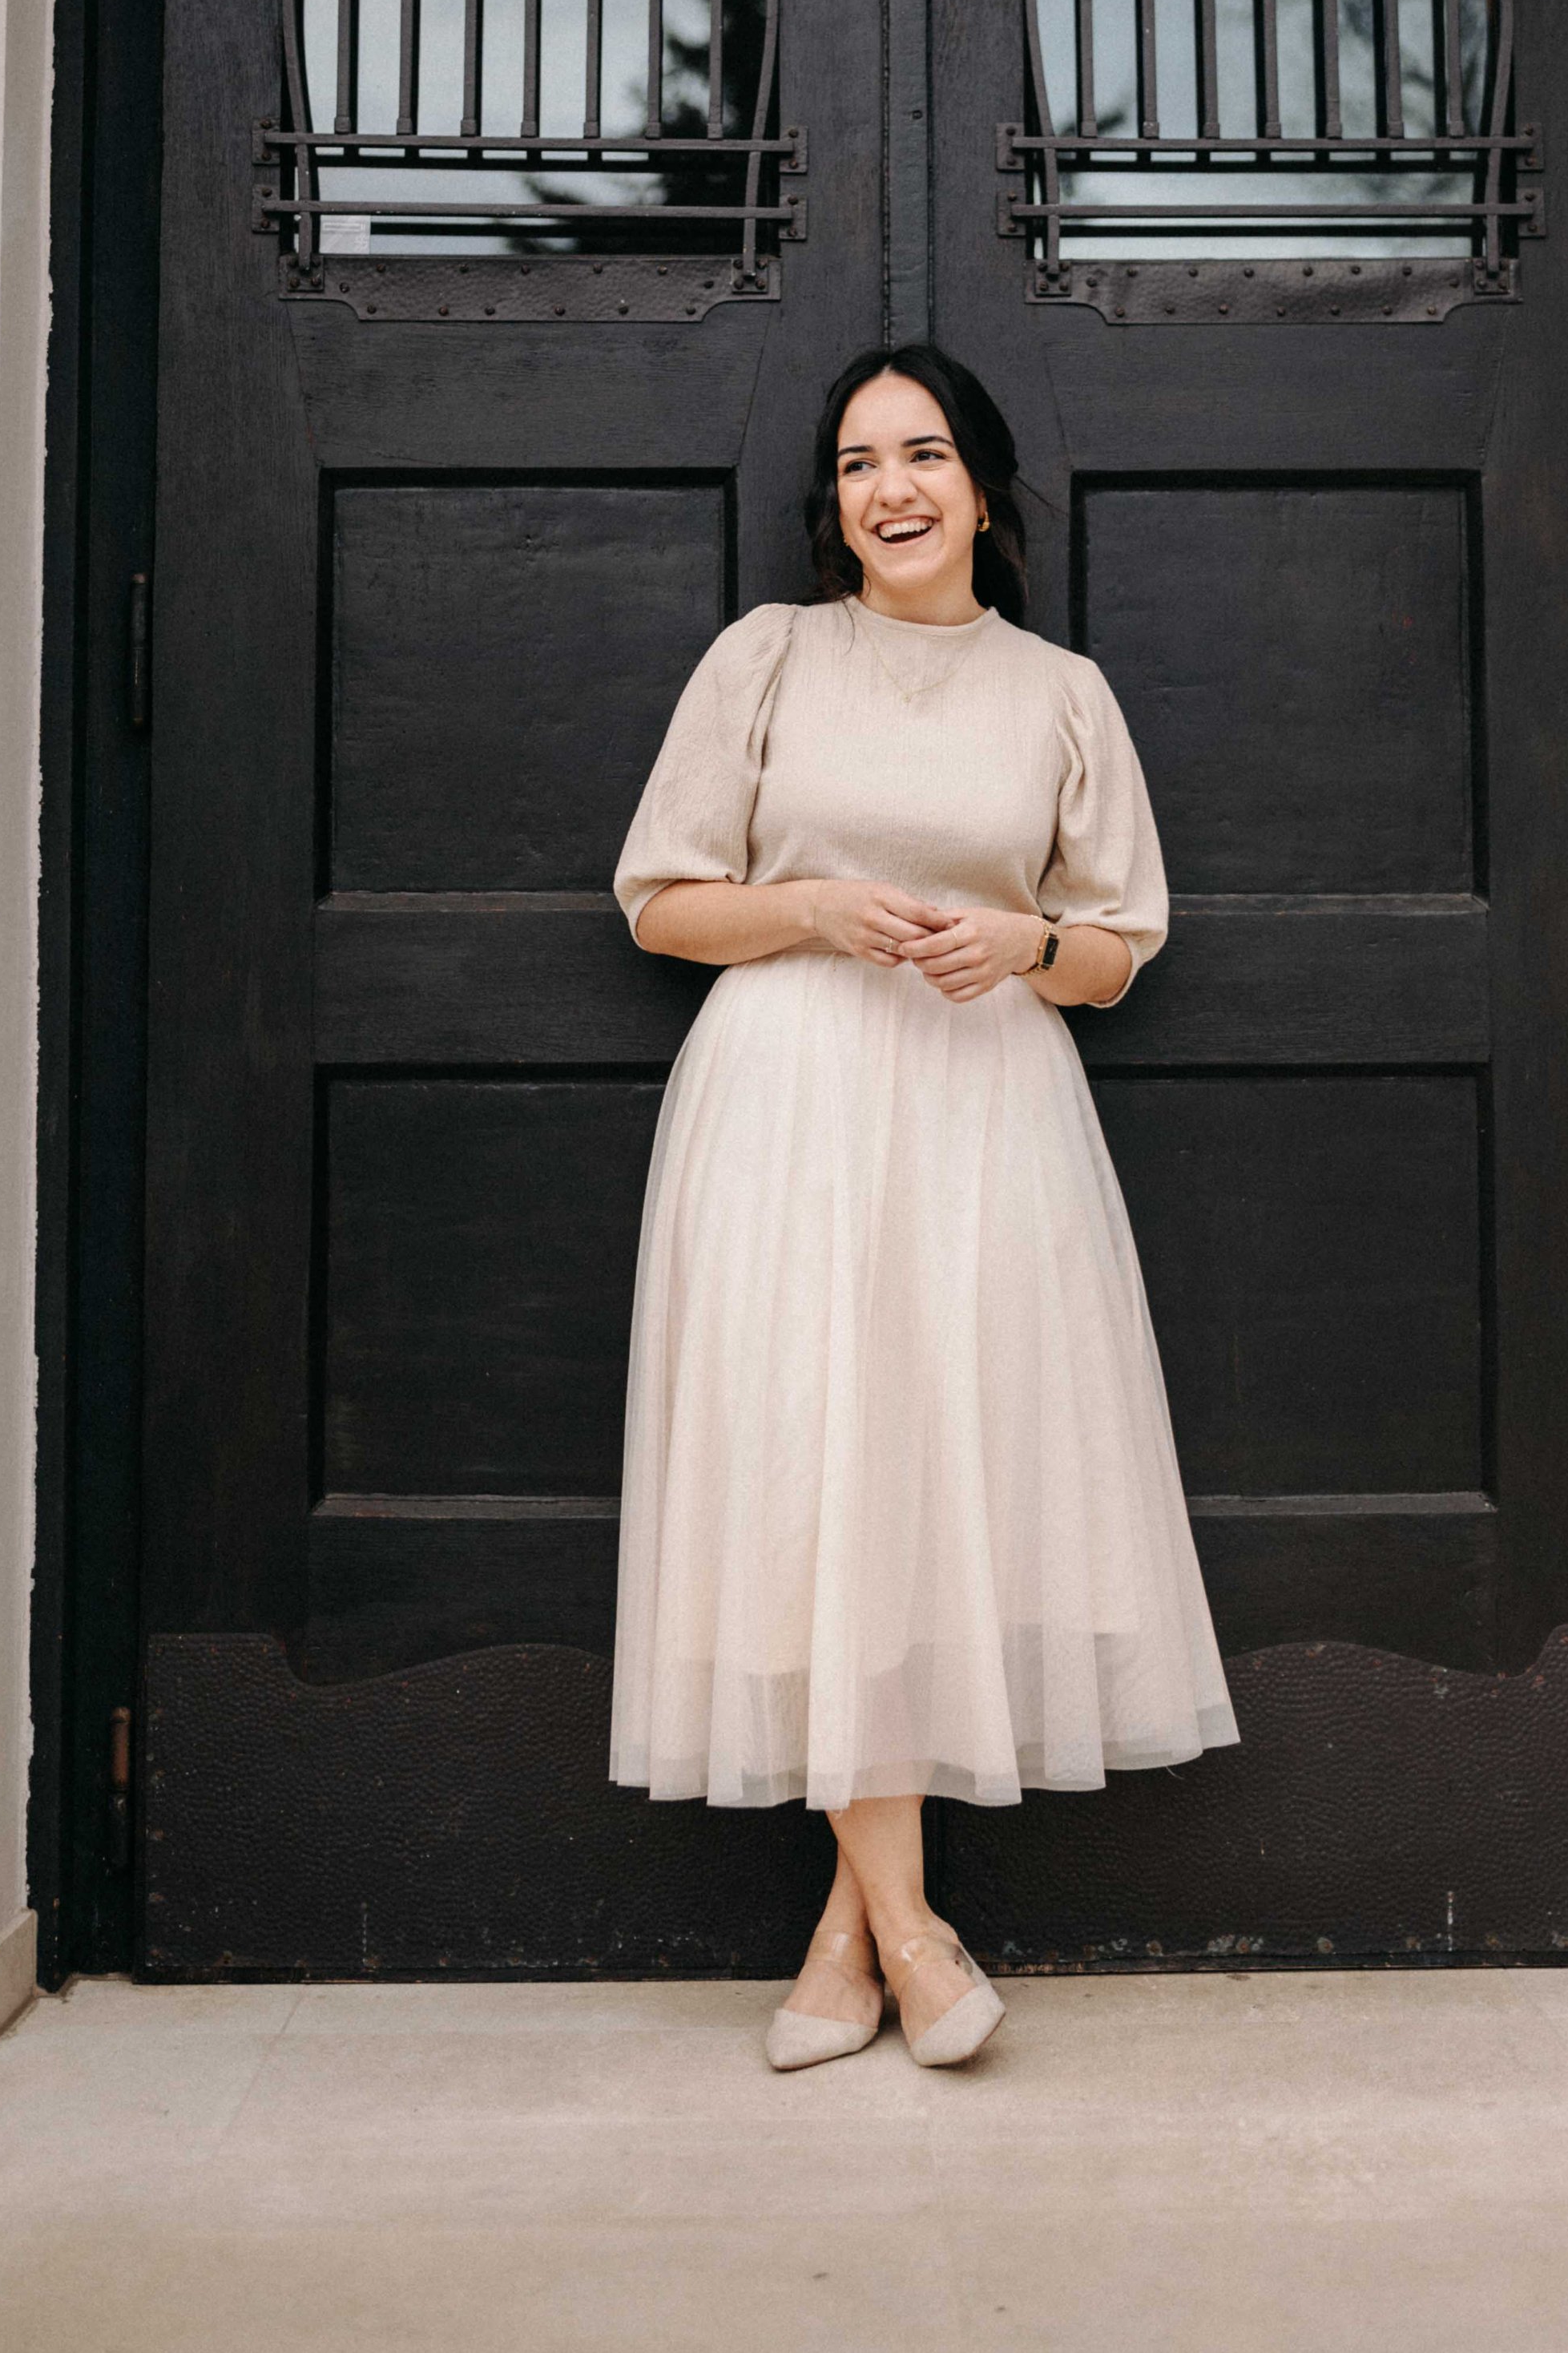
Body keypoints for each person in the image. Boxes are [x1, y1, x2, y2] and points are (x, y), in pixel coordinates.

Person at [611, 345, 1236, 2071]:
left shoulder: (1059, 694)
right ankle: (906, 1922)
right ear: (834, 498)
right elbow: (660, 901)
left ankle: (844, 1938)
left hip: (984, 1107)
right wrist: (809, 910)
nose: (890, 487)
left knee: (933, 1473)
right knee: (812, 1477)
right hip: (789, 1098)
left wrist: (1022, 943)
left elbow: (1118, 949)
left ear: (981, 486)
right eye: (859, 461)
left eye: (925, 454)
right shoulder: (767, 655)